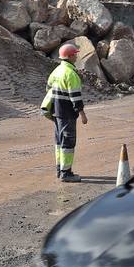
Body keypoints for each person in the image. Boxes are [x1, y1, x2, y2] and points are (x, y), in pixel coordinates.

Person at [42, 44, 87, 182]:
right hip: (67, 114)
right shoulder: (71, 74)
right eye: (75, 54)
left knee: (59, 142)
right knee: (68, 142)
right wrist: (83, 114)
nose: (77, 56)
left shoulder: (56, 71)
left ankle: (60, 169)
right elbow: (75, 97)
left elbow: (48, 88)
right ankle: (66, 173)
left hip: (56, 112)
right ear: (70, 56)